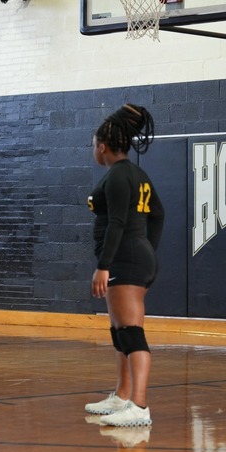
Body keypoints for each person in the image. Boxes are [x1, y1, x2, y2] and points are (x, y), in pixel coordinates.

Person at [84, 104, 164, 428]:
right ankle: (122, 395)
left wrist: (104, 265)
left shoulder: (118, 176)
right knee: (120, 333)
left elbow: (117, 222)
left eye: (93, 144)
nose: (93, 150)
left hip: (124, 259)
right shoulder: (138, 174)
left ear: (103, 146)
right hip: (134, 255)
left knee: (131, 334)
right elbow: (158, 214)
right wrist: (148, 249)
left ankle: (140, 406)